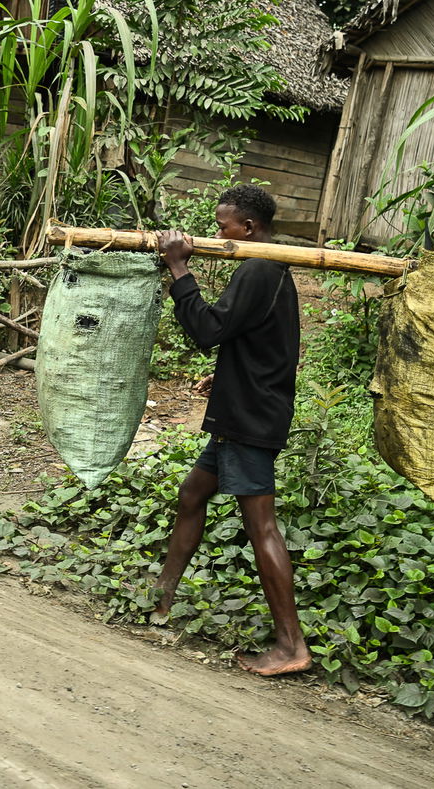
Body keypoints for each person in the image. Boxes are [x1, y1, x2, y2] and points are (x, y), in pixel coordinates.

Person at [152, 183, 309, 676]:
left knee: (262, 526)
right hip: (241, 410)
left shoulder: (260, 269)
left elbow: (208, 330)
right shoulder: (268, 273)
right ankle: (160, 600)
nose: (217, 233)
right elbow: (257, 343)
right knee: (192, 494)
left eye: (222, 226)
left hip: (248, 420)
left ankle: (291, 646)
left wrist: (179, 268)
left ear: (249, 228)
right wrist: (225, 374)